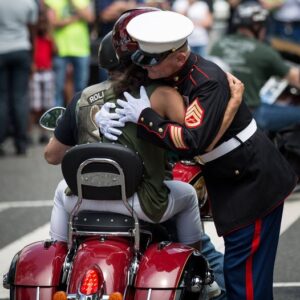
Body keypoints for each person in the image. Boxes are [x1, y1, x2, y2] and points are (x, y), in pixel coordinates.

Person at [98, 9, 297, 299]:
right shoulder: (176, 71)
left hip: (251, 181)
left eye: (153, 63)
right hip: (232, 176)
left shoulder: (208, 82)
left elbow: (191, 140)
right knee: (238, 273)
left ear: (178, 57)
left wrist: (147, 117)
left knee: (246, 283)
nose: (147, 69)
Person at [209, 1, 300, 133]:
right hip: (251, 115)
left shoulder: (218, 44)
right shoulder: (264, 51)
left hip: (219, 112)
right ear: (257, 26)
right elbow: (296, 79)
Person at [0, 0, 38, 156]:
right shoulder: (28, 3)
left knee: (2, 98)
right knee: (20, 98)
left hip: (1, 51)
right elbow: (32, 30)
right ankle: (21, 142)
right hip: (22, 49)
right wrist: (32, 56)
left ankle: (1, 141)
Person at [44, 0, 95, 106]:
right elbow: (52, 23)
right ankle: (56, 119)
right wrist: (74, 18)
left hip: (81, 49)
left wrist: (74, 4)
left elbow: (90, 18)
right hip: (61, 49)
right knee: (58, 88)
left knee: (81, 88)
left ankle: (79, 116)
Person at [29, 8, 56, 144]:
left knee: (46, 104)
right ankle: (29, 133)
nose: (42, 24)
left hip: (47, 71)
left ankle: (43, 132)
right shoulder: (33, 38)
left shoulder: (48, 37)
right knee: (35, 105)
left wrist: (50, 35)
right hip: (36, 72)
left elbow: (56, 51)